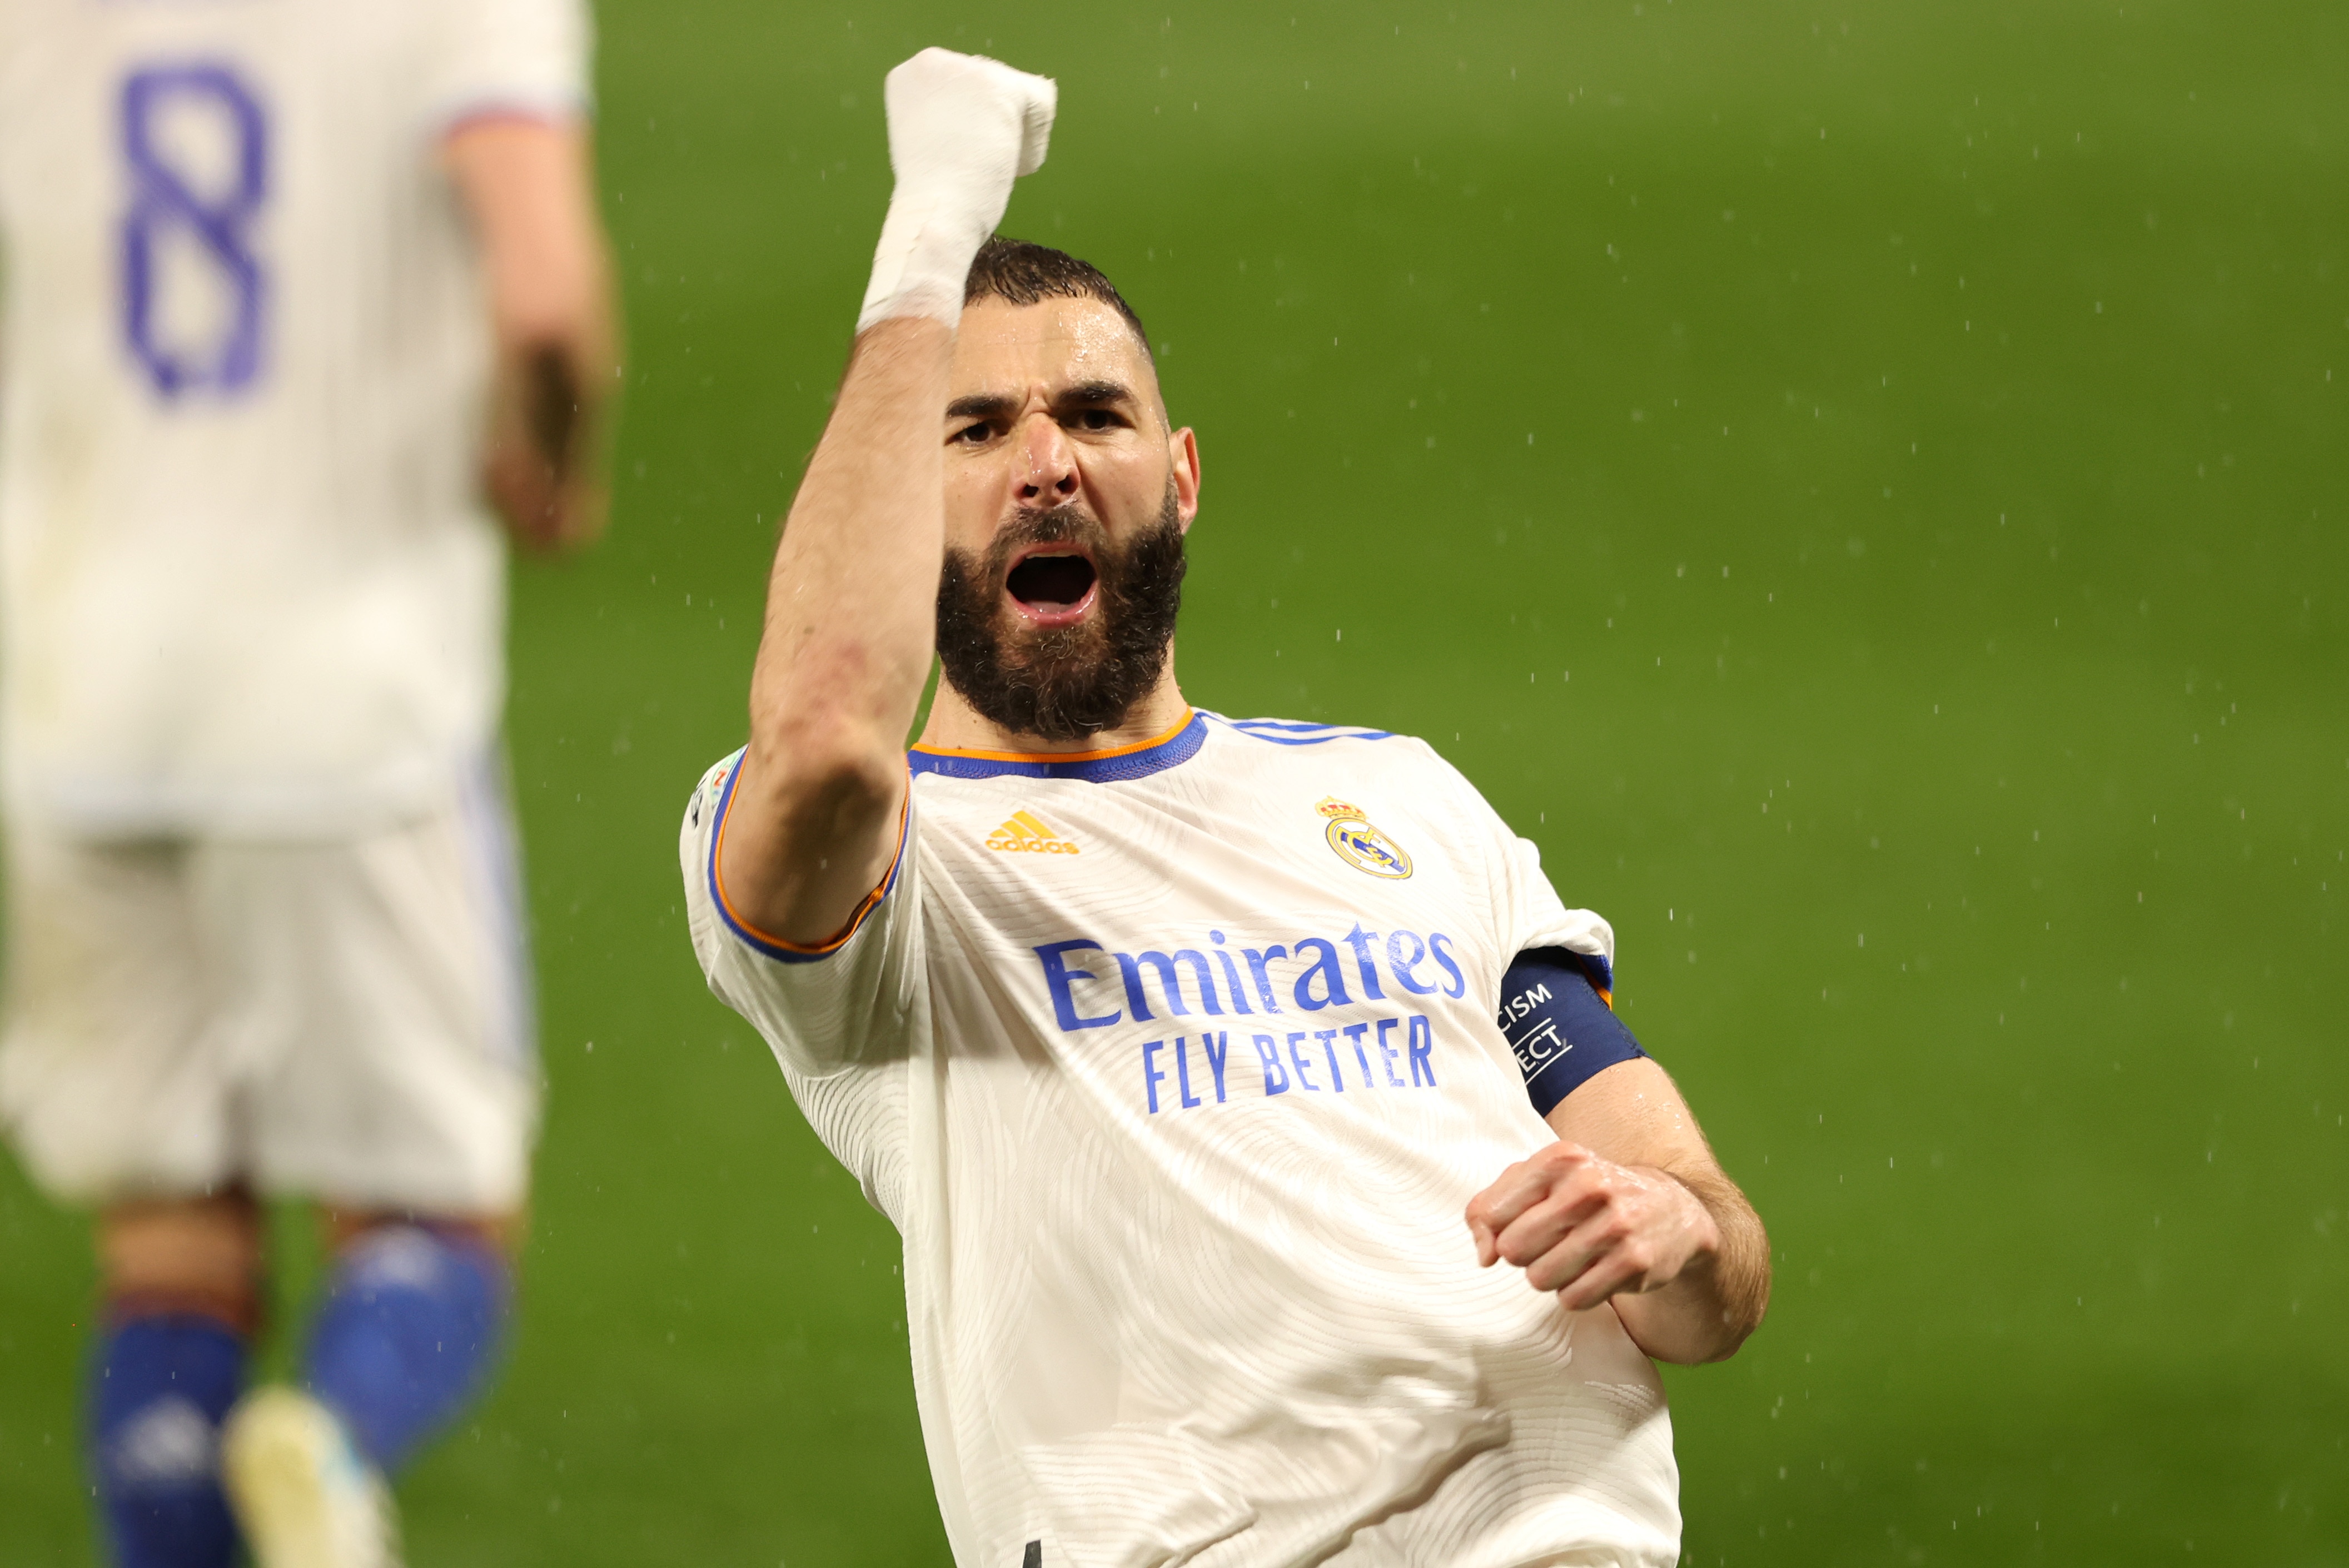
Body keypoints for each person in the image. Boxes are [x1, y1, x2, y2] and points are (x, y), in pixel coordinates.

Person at [681, 47, 1767, 1567]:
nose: (1046, 463)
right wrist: (927, 231)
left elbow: (1710, 1273)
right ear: (893, 501)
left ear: (1180, 475)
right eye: (973, 430)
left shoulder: (1401, 798)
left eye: (1092, 415)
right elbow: (823, 739)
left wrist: (1678, 1229)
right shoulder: (900, 880)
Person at [0, 1, 614, 1564]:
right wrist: (555, 450)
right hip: (338, 700)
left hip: (72, 691)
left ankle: (179, 1490)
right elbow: (543, 296)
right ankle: (330, 1441)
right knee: (434, 1220)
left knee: (170, 1245)